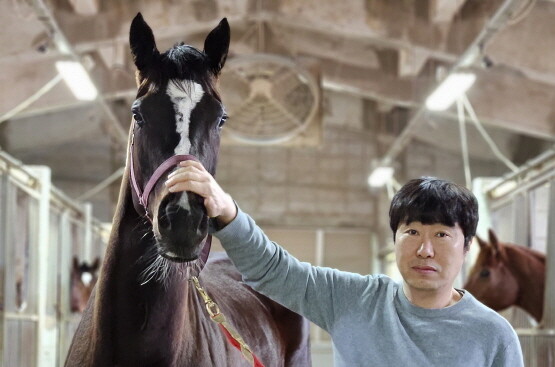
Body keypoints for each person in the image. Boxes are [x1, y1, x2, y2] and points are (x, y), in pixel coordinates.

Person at [165, 160, 524, 367]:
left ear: (467, 247)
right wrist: (227, 212)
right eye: (411, 232)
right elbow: (272, 270)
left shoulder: (493, 336)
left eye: (442, 236)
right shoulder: (352, 299)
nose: (425, 250)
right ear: (395, 239)